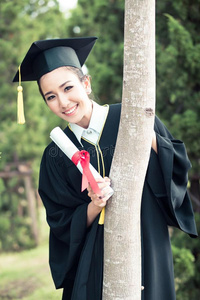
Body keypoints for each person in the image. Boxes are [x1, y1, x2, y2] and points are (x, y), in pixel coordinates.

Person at [13, 37, 198, 300]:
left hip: (145, 245)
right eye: (51, 97)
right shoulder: (55, 154)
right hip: (92, 266)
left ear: (85, 84)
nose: (63, 102)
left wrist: (144, 129)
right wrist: (94, 205)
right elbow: (60, 221)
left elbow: (177, 168)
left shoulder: (132, 118)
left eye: (68, 88)